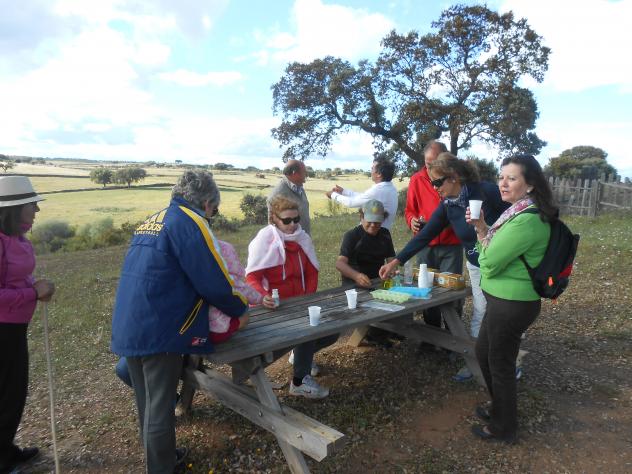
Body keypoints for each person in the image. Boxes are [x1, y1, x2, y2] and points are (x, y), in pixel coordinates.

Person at [111, 171, 249, 473]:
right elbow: (212, 280)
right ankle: (161, 468)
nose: (212, 216)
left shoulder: (154, 220)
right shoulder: (190, 223)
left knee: (147, 401)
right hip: (161, 326)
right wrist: (240, 308)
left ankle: (162, 457)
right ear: (208, 203)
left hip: (132, 320)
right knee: (159, 408)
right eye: (214, 210)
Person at [379, 153, 509, 375]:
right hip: (477, 265)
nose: (434, 188)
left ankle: (508, 361)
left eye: (438, 182)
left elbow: (516, 215)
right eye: (432, 183)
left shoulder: (486, 192)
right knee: (481, 311)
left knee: (505, 313)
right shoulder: (449, 205)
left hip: (504, 264)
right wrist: (397, 261)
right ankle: (479, 362)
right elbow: (425, 235)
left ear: (453, 177)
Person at [466, 154, 554, 444]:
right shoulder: (516, 213)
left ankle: (504, 428)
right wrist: (482, 227)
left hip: (512, 304)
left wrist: (484, 246)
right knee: (484, 353)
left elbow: (488, 263)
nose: (503, 183)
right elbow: (490, 249)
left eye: (512, 178)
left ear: (530, 185)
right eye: (501, 177)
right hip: (501, 301)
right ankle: (500, 408)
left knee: (500, 363)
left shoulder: (526, 220)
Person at [246, 195, 335, 399]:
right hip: (273, 308)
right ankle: (299, 382)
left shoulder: (302, 238)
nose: (293, 224)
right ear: (274, 219)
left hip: (299, 304)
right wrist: (263, 297)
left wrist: (307, 299)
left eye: (296, 219)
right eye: (287, 220)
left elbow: (312, 272)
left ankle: (300, 355)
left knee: (332, 331)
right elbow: (251, 278)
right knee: (307, 330)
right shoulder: (264, 241)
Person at [0, 176, 55, 473]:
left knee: (13, 393)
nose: (37, 210)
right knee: (8, 395)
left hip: (13, 328)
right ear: (14, 208)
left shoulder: (17, 238)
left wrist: (36, 286)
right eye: (32, 204)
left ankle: (6, 449)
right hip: (2, 331)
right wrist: (33, 293)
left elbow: (16, 277)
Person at [404, 141, 463, 331]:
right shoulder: (417, 179)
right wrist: (412, 220)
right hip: (425, 245)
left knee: (452, 289)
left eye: (434, 162)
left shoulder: (454, 178)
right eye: (427, 163)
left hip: (451, 243)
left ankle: (453, 333)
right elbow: (409, 210)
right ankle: (432, 333)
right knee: (426, 288)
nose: (429, 167)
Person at [336, 199, 397, 347]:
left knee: (399, 297)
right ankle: (376, 334)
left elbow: (391, 260)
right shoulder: (352, 235)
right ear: (361, 217)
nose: (373, 225)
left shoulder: (385, 234)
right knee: (375, 303)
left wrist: (392, 270)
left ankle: (388, 330)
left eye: (377, 222)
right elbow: (340, 263)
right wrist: (356, 276)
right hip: (354, 285)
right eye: (370, 221)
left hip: (378, 282)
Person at [326, 158, 398, 230]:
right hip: (382, 232)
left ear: (379, 174)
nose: (371, 171)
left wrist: (333, 195)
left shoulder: (379, 190)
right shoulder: (391, 188)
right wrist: (343, 192)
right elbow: (363, 197)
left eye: (372, 168)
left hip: (372, 233)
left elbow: (351, 203)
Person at [267, 160, 311, 235]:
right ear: (294, 173)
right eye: (304, 172)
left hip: (303, 238)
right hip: (290, 240)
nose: (306, 175)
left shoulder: (299, 187)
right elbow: (273, 226)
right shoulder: (278, 194)